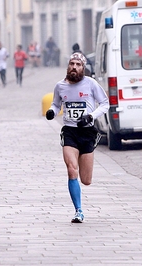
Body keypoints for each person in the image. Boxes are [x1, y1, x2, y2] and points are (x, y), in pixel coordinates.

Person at [45, 52, 109, 223]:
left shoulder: (91, 83)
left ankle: (81, 198)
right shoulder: (60, 86)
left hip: (87, 132)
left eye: (78, 64)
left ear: (83, 67)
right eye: (71, 64)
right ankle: (78, 210)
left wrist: (91, 116)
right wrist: (52, 111)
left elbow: (105, 103)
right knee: (71, 169)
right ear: (68, 66)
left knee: (86, 180)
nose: (74, 67)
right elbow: (56, 103)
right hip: (70, 131)